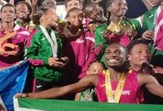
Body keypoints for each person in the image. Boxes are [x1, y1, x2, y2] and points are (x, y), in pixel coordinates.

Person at [17, 43, 163, 103]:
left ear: (126, 57)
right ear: (105, 57)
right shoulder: (94, 78)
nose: (113, 55)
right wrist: (30, 95)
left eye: (118, 52)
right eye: (109, 52)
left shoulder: (141, 78)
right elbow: (62, 90)